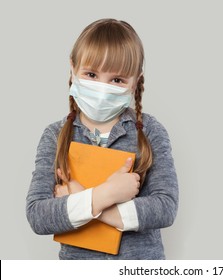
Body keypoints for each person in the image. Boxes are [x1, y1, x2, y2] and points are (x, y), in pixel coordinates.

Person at [26, 18, 179, 260]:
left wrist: (81, 198)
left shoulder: (150, 131)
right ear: (73, 68)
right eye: (91, 74)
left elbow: (165, 207)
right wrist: (107, 193)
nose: (101, 87)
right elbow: (38, 215)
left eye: (117, 80)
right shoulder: (54, 136)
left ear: (135, 82)